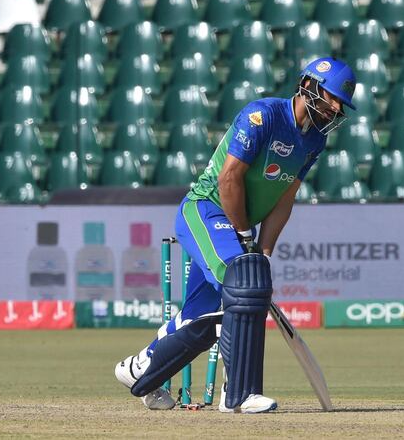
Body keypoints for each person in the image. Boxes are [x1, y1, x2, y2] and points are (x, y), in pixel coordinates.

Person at [114, 57, 357, 413]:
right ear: (309, 86)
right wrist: (244, 235)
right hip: (207, 209)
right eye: (332, 97)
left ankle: (141, 371)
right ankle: (239, 394)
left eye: (341, 103)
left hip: (238, 224)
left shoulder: (314, 142)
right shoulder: (263, 116)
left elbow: (284, 198)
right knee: (246, 286)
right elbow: (229, 179)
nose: (336, 107)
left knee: (200, 315)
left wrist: (264, 252)